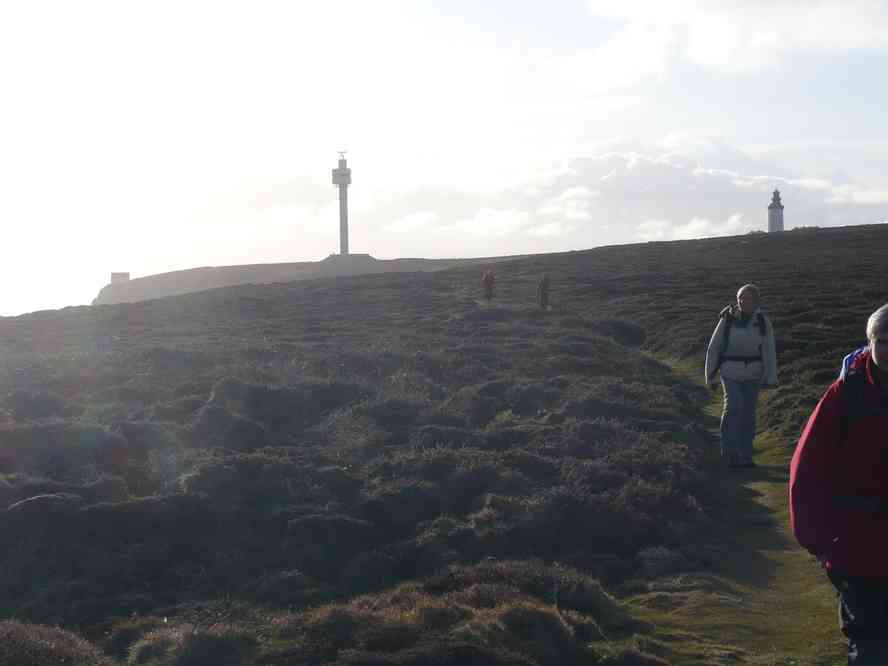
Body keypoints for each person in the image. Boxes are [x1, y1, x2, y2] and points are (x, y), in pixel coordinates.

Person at [790, 303, 888, 665]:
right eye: (885, 341)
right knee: (870, 642)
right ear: (869, 343)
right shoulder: (843, 396)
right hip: (857, 545)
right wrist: (816, 539)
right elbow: (808, 466)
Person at [704, 284, 778, 468]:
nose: (743, 301)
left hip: (753, 373)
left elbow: (769, 350)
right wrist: (710, 376)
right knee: (733, 407)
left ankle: (745, 455)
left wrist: (771, 377)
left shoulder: (763, 321)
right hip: (730, 371)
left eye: (747, 298)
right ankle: (729, 452)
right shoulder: (727, 319)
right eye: (740, 298)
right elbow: (714, 348)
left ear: (756, 301)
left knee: (748, 414)